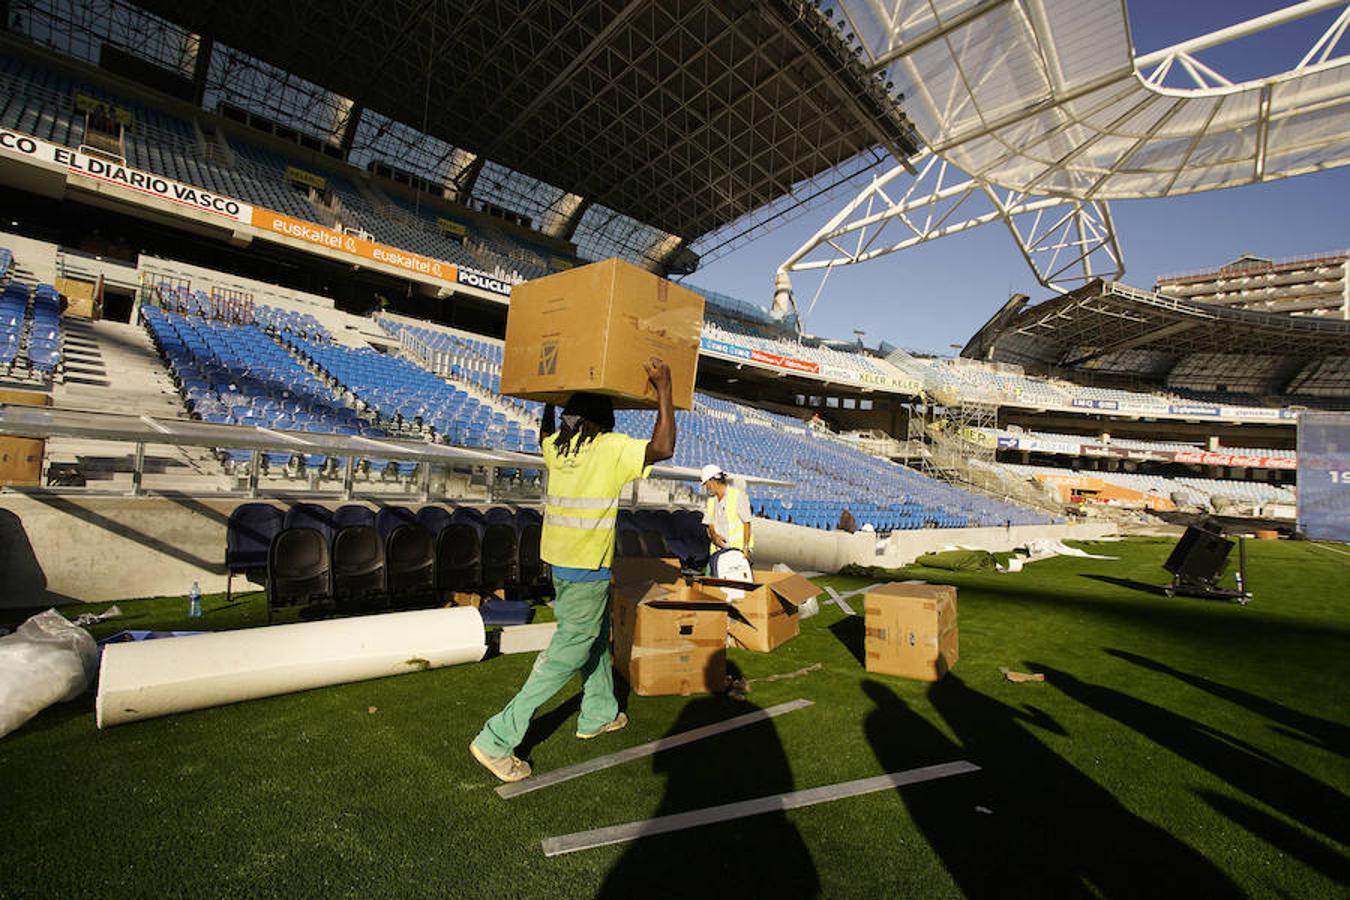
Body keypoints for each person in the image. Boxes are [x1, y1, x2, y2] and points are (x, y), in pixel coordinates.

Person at [470, 358, 675, 783]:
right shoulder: (610, 447)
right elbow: (663, 448)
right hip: (585, 567)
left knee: (594, 636)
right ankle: (497, 738)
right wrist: (665, 388)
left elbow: (544, 433)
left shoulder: (559, 448)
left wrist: (548, 397)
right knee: (568, 652)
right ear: (606, 420)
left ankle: (598, 711)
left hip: (560, 564)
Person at [701, 464, 753, 573]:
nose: (706, 487)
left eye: (706, 484)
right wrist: (714, 536)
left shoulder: (737, 496)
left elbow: (747, 523)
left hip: (736, 553)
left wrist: (745, 549)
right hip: (717, 553)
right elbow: (709, 524)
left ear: (713, 480)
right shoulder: (711, 501)